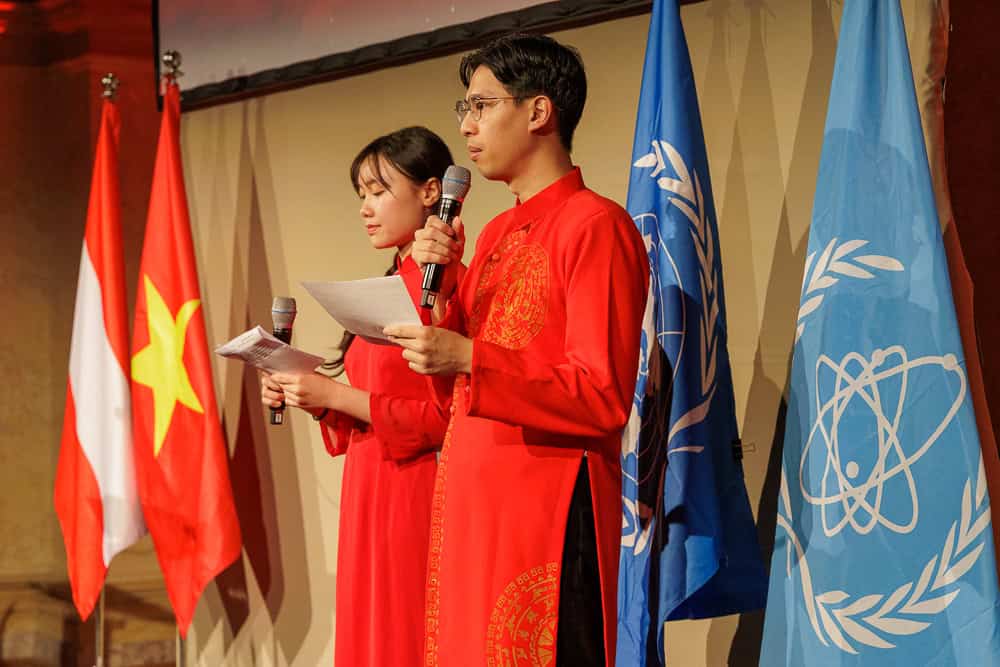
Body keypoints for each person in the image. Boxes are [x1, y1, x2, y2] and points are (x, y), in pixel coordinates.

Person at [385, 34, 649, 667]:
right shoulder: (497, 232)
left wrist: (468, 357)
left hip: (548, 510)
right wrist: (443, 298)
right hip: (478, 502)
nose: (467, 127)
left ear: (538, 111)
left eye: (481, 106)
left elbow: (602, 395)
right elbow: (456, 391)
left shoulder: (596, 225)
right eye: (465, 109)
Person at [260, 126, 463, 667]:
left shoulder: (446, 291)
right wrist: (314, 396)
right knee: (371, 636)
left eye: (378, 191)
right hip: (371, 486)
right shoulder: (387, 286)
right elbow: (370, 404)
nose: (366, 208)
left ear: (430, 192)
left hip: (420, 490)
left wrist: (337, 395)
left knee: (407, 637)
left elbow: (449, 418)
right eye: (361, 195)